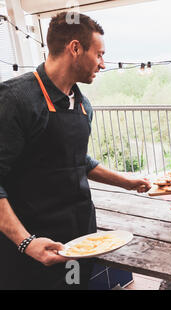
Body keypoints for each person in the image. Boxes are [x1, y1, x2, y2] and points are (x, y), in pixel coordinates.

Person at [0, 12, 151, 290]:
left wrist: (127, 182)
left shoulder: (83, 105)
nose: (103, 64)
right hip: (30, 247)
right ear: (75, 48)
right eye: (99, 54)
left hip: (79, 240)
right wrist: (26, 242)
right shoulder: (15, 100)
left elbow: (77, 160)